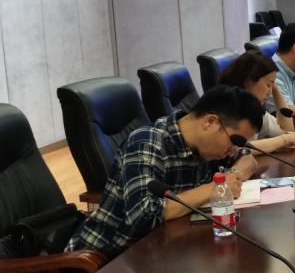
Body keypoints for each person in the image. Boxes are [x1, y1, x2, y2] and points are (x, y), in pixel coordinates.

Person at [65, 85, 264, 258]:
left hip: (162, 251)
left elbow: (248, 160)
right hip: (104, 261)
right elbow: (143, 216)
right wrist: (214, 188)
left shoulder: (208, 145)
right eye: (234, 141)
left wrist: (231, 177)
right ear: (210, 122)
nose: (233, 150)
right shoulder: (147, 142)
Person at [218, 50, 295, 153]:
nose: (270, 92)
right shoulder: (227, 107)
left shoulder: (254, 108)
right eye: (268, 85)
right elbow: (237, 149)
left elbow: (286, 130)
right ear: (249, 81)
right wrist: (285, 139)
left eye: (272, 85)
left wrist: (276, 90)